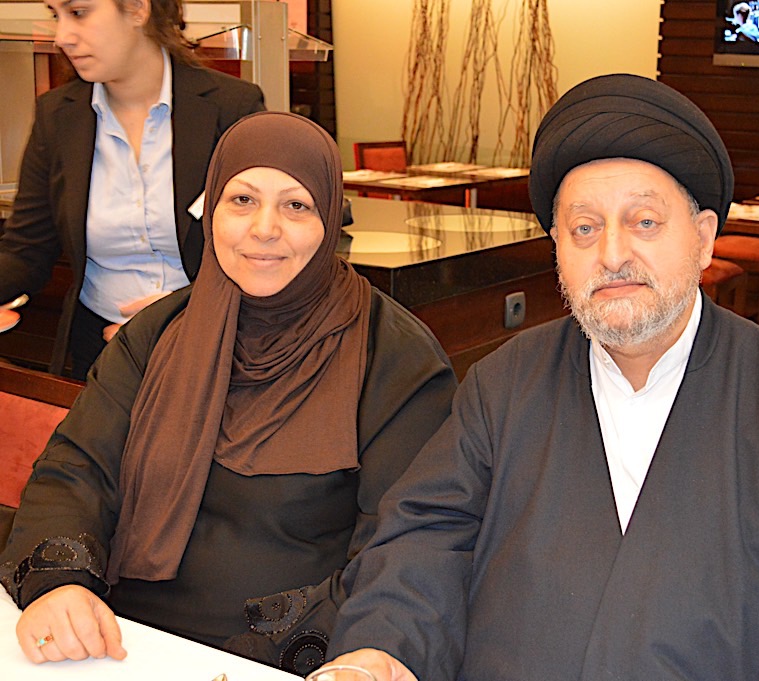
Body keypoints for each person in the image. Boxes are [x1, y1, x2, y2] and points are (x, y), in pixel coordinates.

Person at [319, 74, 759, 680]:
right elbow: (426, 540)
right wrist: (382, 653)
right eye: (584, 228)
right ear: (557, 247)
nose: (612, 254)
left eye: (644, 222)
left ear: (702, 238)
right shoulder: (502, 386)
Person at [0, 112, 457, 676]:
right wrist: (60, 586)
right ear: (211, 209)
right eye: (242, 200)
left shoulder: (396, 358)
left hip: (292, 657)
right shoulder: (160, 332)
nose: (264, 228)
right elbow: (77, 468)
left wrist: (293, 656)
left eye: (296, 205)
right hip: (123, 640)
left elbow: (408, 545)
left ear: (329, 220)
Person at [0, 0, 265, 379]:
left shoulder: (231, 106)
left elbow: (268, 243)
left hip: (214, 347)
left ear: (139, 9)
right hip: (100, 350)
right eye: (55, 16)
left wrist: (186, 311)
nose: (61, 37)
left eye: (78, 13)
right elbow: (26, 249)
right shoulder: (56, 115)